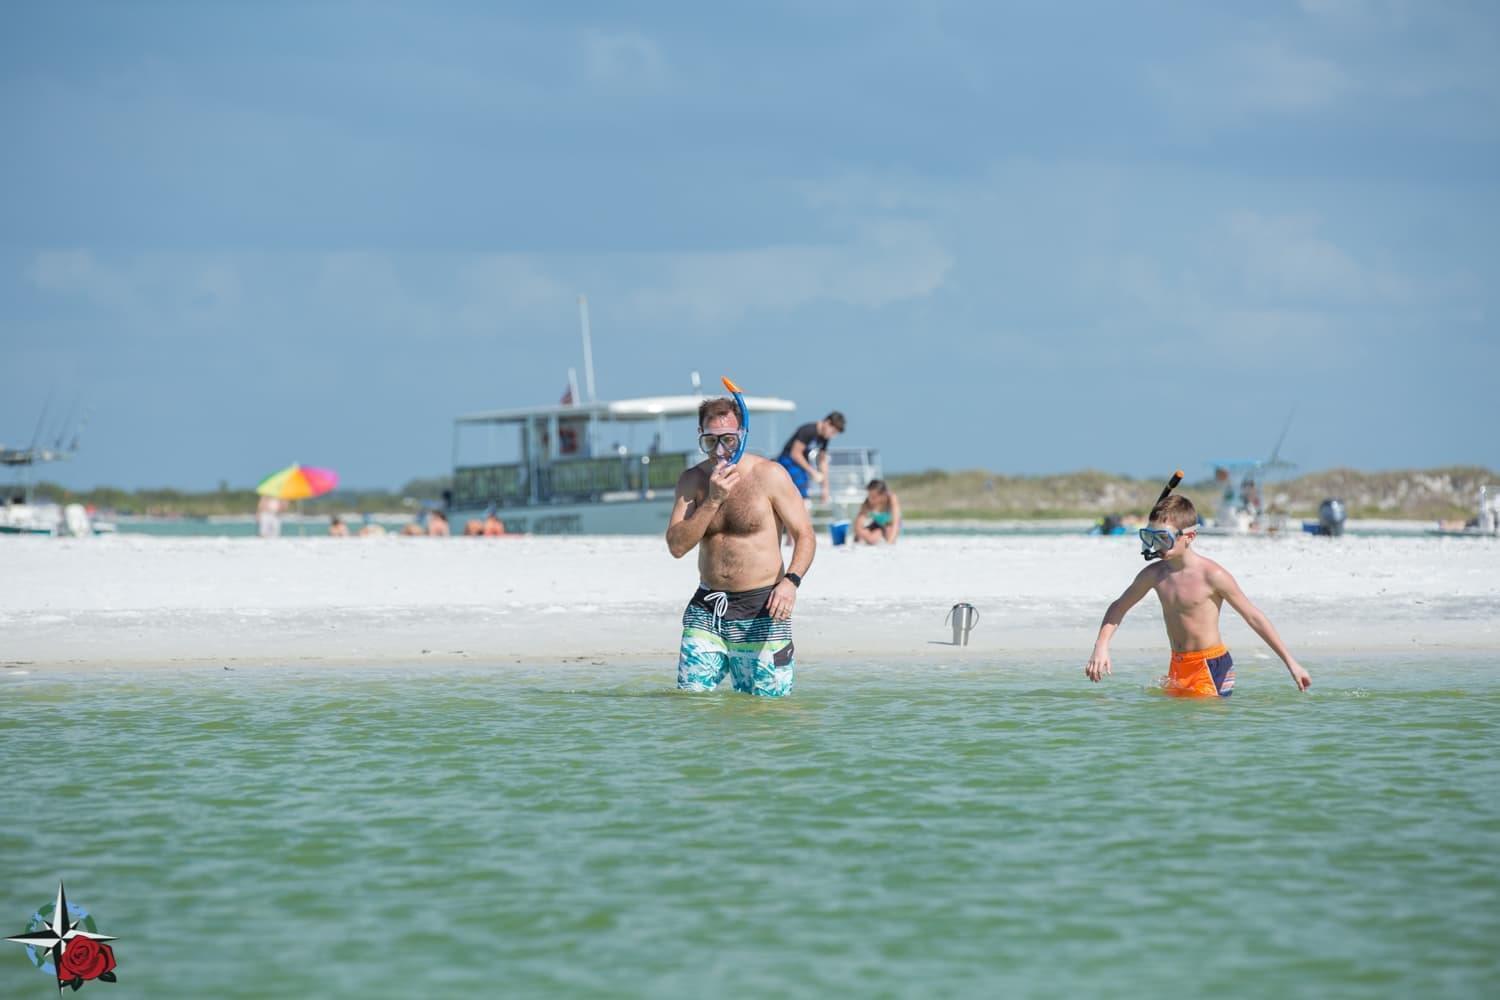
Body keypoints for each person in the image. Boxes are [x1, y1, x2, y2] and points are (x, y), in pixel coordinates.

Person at [1084, 492, 1311, 697]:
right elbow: (1118, 607)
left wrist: (1292, 663)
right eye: (1151, 537)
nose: (1157, 545)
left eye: (1164, 538)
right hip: (1177, 664)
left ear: (1189, 537)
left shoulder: (1212, 575)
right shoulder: (1154, 574)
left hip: (1211, 666)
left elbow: (1254, 617)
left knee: (1202, 731)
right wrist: (1101, 645)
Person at [667, 396, 815, 697]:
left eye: (729, 440)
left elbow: (805, 536)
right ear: (700, 436)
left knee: (767, 712)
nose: (720, 451)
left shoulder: (769, 475)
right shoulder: (692, 480)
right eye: (710, 441)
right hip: (708, 608)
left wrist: (791, 582)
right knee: (691, 703)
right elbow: (677, 546)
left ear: (742, 436)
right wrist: (713, 500)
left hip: (764, 610)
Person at [777, 411, 846, 504]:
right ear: (827, 423)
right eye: (833, 432)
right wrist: (813, 472)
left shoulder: (824, 438)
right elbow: (795, 453)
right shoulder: (808, 430)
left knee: (805, 500)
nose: (832, 436)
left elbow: (822, 461)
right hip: (787, 463)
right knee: (801, 500)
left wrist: (825, 488)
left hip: (802, 467)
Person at [853, 479, 901, 544]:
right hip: (877, 524)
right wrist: (862, 534)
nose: (870, 499)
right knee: (866, 537)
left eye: (873, 497)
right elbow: (858, 524)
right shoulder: (867, 502)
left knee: (889, 534)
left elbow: (896, 523)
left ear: (883, 495)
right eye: (869, 496)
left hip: (890, 524)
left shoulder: (891, 499)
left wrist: (889, 543)